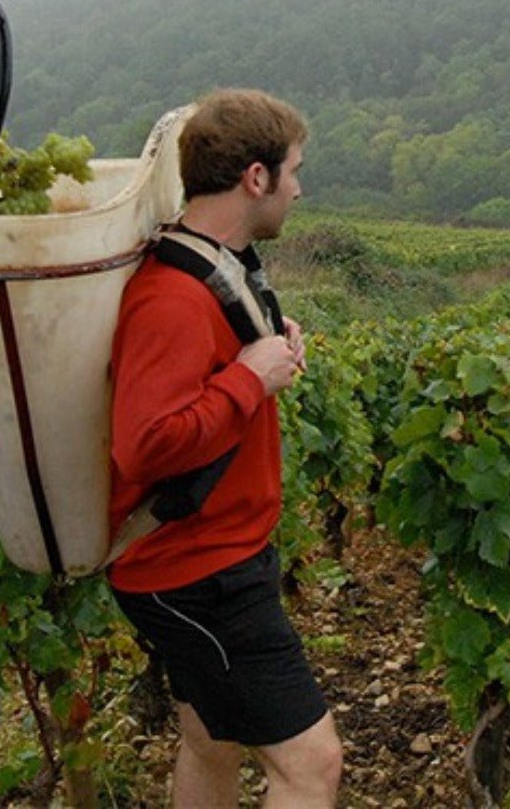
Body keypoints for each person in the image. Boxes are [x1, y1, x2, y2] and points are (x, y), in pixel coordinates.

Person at [106, 88, 343, 807]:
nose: (299, 188)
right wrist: (248, 377)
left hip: (214, 556)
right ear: (256, 177)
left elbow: (210, 363)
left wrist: (265, 347)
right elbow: (144, 446)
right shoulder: (170, 298)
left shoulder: (213, 262)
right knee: (311, 766)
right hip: (199, 573)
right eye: (294, 170)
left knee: (210, 740)